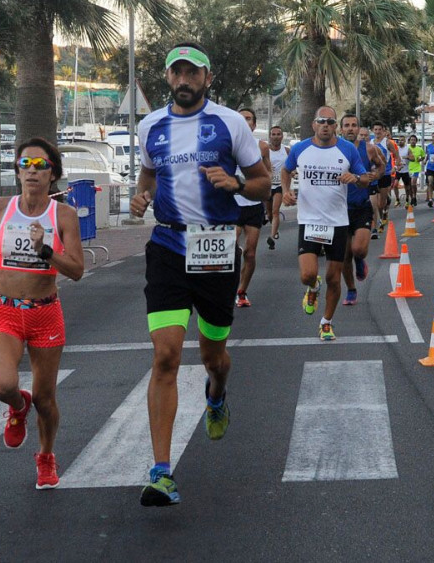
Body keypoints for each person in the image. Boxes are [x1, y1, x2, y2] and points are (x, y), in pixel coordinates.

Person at [128, 42, 271, 506]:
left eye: (192, 72)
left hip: (215, 247)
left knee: (214, 356)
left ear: (207, 78)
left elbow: (264, 181)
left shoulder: (229, 123)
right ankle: (162, 472)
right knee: (166, 356)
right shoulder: (151, 126)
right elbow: (148, 176)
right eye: (176, 73)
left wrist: (237, 184)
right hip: (168, 245)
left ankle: (216, 393)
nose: (183, 80)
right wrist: (139, 197)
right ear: (167, 78)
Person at [0, 137, 84, 490]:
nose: (32, 171)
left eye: (40, 165)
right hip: (6, 309)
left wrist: (46, 251)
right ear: (17, 171)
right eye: (25, 164)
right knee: (2, 384)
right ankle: (18, 407)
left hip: (46, 313)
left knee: (46, 399)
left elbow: (77, 269)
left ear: (52, 175)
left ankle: (46, 456)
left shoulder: (63, 215)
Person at [282, 107, 373, 340]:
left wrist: (356, 178)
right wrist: (285, 192)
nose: (325, 125)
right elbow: (286, 170)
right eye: (321, 121)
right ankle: (312, 287)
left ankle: (326, 322)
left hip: (337, 223)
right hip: (309, 221)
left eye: (330, 121)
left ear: (335, 126)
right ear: (314, 124)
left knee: (334, 278)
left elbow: (365, 179)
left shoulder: (347, 150)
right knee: (307, 274)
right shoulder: (301, 148)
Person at [340, 119, 385, 305]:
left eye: (354, 125)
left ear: (358, 129)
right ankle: (351, 289)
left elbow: (381, 165)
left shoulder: (369, 148)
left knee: (358, 249)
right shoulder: (333, 148)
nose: (351, 129)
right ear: (340, 128)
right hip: (339, 209)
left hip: (361, 205)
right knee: (344, 256)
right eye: (347, 126)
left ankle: (360, 260)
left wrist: (377, 174)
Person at [234, 108, 272, 307]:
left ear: (254, 125)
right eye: (241, 118)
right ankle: (227, 286)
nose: (245, 121)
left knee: (250, 252)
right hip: (232, 204)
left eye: (248, 119)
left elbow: (268, 173)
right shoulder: (227, 144)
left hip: (253, 205)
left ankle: (242, 291)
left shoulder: (262, 146)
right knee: (231, 249)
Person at [266, 125, 290, 250]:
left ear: (282, 136)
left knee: (275, 211)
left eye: (278, 134)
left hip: (280, 185)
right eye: (273, 134)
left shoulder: (286, 151)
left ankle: (271, 236)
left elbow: (292, 167)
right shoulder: (265, 151)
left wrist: (292, 173)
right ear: (270, 136)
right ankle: (274, 229)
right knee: (269, 213)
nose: (276, 137)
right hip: (267, 186)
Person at [406, 135, 425, 206]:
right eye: (411, 140)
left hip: (416, 168)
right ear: (409, 141)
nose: (413, 141)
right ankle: (412, 198)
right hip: (408, 168)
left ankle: (414, 196)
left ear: (416, 141)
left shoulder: (419, 149)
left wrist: (420, 159)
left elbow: (423, 156)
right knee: (409, 185)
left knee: (413, 182)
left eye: (414, 140)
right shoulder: (407, 148)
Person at [395, 136, 412, 207]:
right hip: (398, 170)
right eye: (399, 140)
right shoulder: (396, 149)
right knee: (395, 184)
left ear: (405, 141)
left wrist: (407, 157)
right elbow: (393, 158)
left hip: (405, 170)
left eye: (402, 140)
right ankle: (397, 199)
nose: (400, 142)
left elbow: (413, 158)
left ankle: (407, 200)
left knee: (407, 187)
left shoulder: (408, 148)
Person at [425, 132, 434, 206]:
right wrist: (425, 160)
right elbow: (428, 155)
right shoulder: (428, 146)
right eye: (433, 136)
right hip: (430, 167)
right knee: (430, 182)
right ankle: (430, 199)